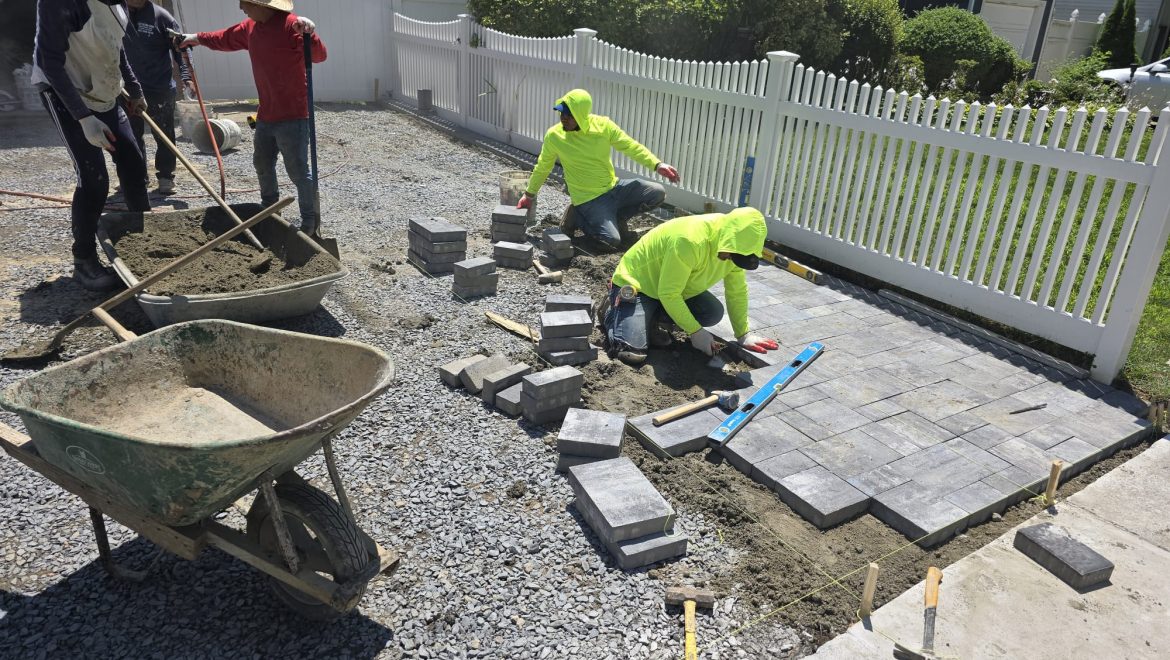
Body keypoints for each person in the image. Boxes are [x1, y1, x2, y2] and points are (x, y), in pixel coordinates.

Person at [32, 0, 151, 291]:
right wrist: (83, 118)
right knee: (94, 177)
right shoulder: (61, 3)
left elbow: (116, 46)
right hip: (65, 94)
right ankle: (84, 258)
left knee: (134, 163)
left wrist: (134, 89)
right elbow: (50, 60)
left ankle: (146, 238)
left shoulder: (117, 5)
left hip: (104, 92)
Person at [178, 0, 326, 234]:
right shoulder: (251, 28)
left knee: (298, 170)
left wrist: (310, 34)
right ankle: (269, 209)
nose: (241, 8)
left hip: (293, 115)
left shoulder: (292, 27)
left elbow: (318, 56)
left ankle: (310, 220)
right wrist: (194, 37)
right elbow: (223, 38)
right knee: (262, 162)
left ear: (263, 5)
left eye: (245, 3)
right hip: (266, 115)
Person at [600, 207, 781, 366]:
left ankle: (651, 321)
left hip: (673, 288)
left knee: (711, 312)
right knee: (631, 354)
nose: (730, 259)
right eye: (732, 254)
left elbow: (737, 292)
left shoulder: (736, 249)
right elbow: (669, 293)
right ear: (728, 236)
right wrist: (695, 331)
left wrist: (743, 334)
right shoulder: (690, 240)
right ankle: (610, 312)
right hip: (639, 284)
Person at [517, 88, 680, 252]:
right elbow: (543, 167)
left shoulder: (603, 126)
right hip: (588, 199)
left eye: (568, 114)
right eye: (561, 113)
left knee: (657, 192)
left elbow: (630, 146)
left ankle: (616, 218)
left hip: (614, 187)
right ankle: (577, 215)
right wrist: (529, 195)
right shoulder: (554, 136)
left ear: (581, 114)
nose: (563, 118)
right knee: (611, 241)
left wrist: (657, 165)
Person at [122, 0, 193, 196]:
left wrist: (187, 77)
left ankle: (165, 177)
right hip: (126, 90)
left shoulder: (162, 18)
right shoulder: (116, 13)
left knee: (164, 135)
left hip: (158, 88)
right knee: (130, 136)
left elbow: (182, 49)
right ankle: (136, 178)